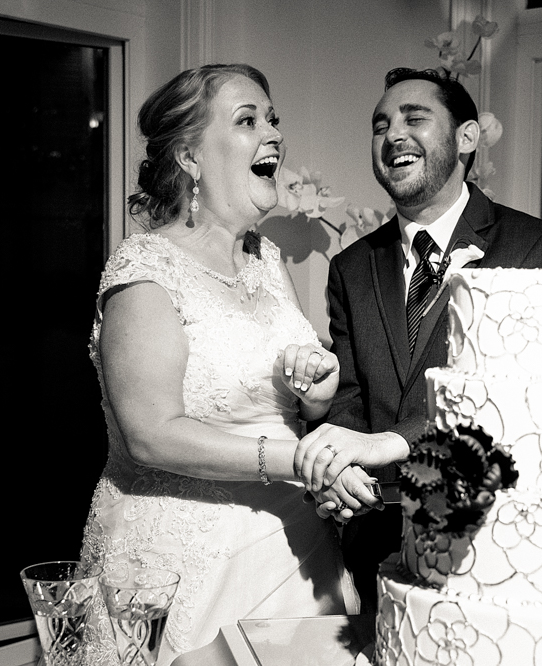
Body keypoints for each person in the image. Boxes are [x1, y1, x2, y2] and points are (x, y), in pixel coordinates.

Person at [78, 64, 378, 665]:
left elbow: (288, 401)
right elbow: (150, 435)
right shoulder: (145, 273)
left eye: (273, 120)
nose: (273, 134)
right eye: (248, 121)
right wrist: (302, 459)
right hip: (186, 563)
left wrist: (315, 390)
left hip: (297, 551)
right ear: (189, 157)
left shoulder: (266, 260)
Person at [293, 67, 542, 610]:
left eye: (413, 118)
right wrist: (343, 467)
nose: (392, 134)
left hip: (488, 550)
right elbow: (349, 397)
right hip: (375, 545)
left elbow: (507, 402)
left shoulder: (536, 248)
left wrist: (386, 444)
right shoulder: (353, 266)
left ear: (466, 137)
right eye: (380, 126)